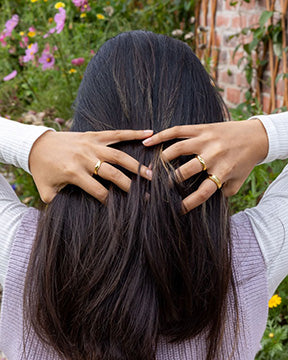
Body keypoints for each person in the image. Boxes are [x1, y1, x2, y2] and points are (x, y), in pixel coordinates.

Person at [0, 30, 287, 360]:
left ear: (82, 132)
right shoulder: (252, 256)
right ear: (211, 127)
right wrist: (262, 135)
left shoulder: (22, 250)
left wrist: (33, 146)